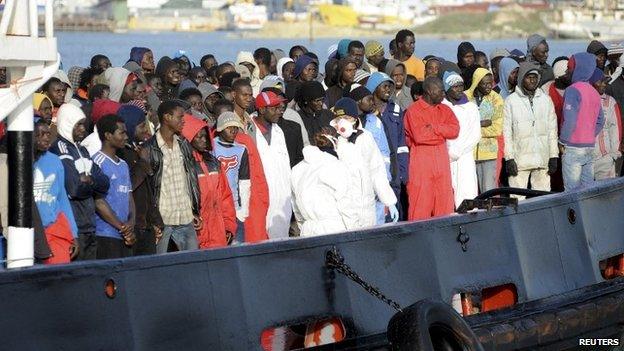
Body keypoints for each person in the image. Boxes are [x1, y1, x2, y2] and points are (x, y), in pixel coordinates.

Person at [49, 103, 110, 260]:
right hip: (74, 227)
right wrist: (91, 182)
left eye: (84, 124)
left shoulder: (82, 149)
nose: (83, 129)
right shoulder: (60, 148)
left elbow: (105, 183)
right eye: (78, 125)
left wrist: (88, 180)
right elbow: (74, 187)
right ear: (67, 124)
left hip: (89, 225)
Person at [331, 98, 399, 226]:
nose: (342, 122)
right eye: (339, 119)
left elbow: (377, 171)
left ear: (355, 118)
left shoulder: (366, 138)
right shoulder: (335, 142)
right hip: (346, 211)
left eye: (346, 117)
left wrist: (389, 201)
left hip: (367, 206)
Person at [145, 100, 201, 253]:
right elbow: (149, 188)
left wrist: (195, 209)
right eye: (179, 117)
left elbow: (191, 179)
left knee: (192, 267)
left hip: (185, 217)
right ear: (167, 117)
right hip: (163, 220)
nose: (183, 121)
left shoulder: (183, 144)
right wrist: (153, 219)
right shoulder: (149, 148)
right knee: (160, 268)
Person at [404, 77, 459, 220]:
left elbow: (455, 131)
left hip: (442, 167)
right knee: (419, 212)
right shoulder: (414, 110)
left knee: (445, 211)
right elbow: (420, 136)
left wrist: (434, 127)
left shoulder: (445, 109)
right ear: (429, 91)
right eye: (440, 91)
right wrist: (442, 132)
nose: (443, 94)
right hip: (421, 167)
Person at [291, 129, 361, 236]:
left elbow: (296, 207)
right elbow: (346, 203)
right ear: (335, 144)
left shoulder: (297, 169)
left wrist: (303, 227)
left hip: (308, 231)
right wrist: (355, 232)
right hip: (335, 230)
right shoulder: (336, 165)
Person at [181, 115, 237, 248]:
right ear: (188, 139)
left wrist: (229, 226)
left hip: (218, 230)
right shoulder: (183, 166)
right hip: (197, 232)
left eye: (205, 136)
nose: (204, 140)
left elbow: (225, 197)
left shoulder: (214, 163)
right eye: (198, 137)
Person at [503, 62, 559, 196]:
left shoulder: (546, 100)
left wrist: (553, 156)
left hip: (542, 158)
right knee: (517, 200)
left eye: (535, 77)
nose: (532, 80)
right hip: (519, 160)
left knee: (542, 199)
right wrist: (509, 158)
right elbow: (506, 133)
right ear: (522, 78)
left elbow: (552, 131)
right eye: (529, 77)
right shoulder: (511, 101)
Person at [116, 105, 163, 255]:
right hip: (132, 226)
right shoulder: (121, 155)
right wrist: (143, 162)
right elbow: (129, 185)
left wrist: (155, 220)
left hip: (145, 226)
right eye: (142, 125)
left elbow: (147, 191)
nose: (146, 130)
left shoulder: (137, 150)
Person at [33, 121, 79, 264]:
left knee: (58, 278)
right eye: (40, 134)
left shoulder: (54, 161)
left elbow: (62, 199)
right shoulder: (20, 160)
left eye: (48, 134)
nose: (46, 138)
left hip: (53, 229)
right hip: (29, 234)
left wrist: (73, 233)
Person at [92, 115, 136, 259]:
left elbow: (129, 198)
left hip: (125, 235)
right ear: (108, 136)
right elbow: (98, 201)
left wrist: (131, 224)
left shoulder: (123, 164)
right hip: (106, 234)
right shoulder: (97, 162)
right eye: (121, 133)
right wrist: (122, 227)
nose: (126, 137)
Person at [366, 72, 410, 216]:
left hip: (394, 170)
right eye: (384, 86)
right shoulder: (367, 114)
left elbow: (402, 144)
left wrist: (403, 172)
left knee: (393, 211)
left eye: (390, 87)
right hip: (373, 171)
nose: (388, 90)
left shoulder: (396, 110)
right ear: (374, 88)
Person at [560, 52, 605, 190]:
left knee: (572, 192)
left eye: (569, 67)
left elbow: (570, 120)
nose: (567, 71)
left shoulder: (572, 90)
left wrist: (562, 141)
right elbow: (601, 120)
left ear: (578, 69)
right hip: (589, 146)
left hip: (573, 147)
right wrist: (590, 134)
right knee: (588, 190)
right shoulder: (594, 92)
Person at [253, 91, 292, 239]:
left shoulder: (279, 131)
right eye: (274, 108)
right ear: (262, 109)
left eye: (279, 107)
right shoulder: (249, 130)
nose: (279, 111)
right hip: (261, 195)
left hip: (282, 195)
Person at [442, 72, 481, 207]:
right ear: (447, 88)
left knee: (467, 191)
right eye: (455, 86)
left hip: (464, 157)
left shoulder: (471, 107)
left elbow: (475, 134)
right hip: (445, 157)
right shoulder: (441, 106)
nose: (459, 89)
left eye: (461, 86)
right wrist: (449, 151)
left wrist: (458, 150)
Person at [213, 112, 252, 243]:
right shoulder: (210, 147)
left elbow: (244, 181)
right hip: (216, 207)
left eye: (236, 127)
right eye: (229, 127)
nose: (233, 131)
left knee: (238, 248)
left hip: (235, 208)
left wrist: (243, 210)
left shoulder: (241, 149)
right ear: (220, 128)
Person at [465, 68, 504, 192]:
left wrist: (473, 129)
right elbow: (462, 125)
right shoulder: (465, 97)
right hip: (467, 153)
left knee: (488, 191)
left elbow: (497, 129)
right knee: (470, 191)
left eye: (490, 83)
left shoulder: (496, 99)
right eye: (485, 83)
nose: (489, 86)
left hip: (489, 152)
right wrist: (481, 123)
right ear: (477, 82)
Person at [591, 69, 622, 180]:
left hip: (605, 158)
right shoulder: (584, 99)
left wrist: (613, 154)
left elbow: (615, 128)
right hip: (585, 158)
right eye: (601, 81)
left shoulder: (610, 102)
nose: (604, 84)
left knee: (606, 195)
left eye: (605, 81)